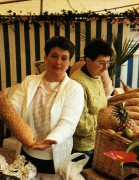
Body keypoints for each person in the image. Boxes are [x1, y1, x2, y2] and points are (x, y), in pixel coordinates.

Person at [8, 36, 85, 174]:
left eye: (64, 58)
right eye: (54, 56)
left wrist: (50, 140)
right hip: (26, 152)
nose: (58, 62)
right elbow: (13, 107)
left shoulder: (74, 89)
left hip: (53, 158)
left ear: (69, 62)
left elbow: (68, 123)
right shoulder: (29, 81)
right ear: (45, 57)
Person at [70, 38, 114, 168]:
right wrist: (106, 119)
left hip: (97, 143)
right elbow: (81, 125)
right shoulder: (78, 83)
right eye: (101, 63)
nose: (105, 68)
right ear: (88, 61)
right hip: (83, 150)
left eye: (108, 63)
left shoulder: (96, 77)